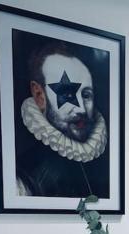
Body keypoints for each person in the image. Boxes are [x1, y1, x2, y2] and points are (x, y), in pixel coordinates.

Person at [16, 42, 109, 198]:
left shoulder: (109, 163)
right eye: (67, 95)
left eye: (86, 95)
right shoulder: (24, 174)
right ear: (39, 96)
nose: (81, 109)